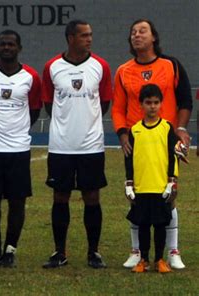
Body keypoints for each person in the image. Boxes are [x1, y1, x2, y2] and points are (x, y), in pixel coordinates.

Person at [111, 19, 192, 269]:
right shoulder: (123, 70)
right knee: (136, 196)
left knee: (169, 195)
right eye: (133, 32)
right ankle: (137, 251)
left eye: (142, 31)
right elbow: (117, 108)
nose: (137, 35)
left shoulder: (171, 65)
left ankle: (173, 251)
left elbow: (185, 101)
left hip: (164, 141)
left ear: (153, 37)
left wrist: (180, 129)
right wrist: (123, 134)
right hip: (136, 142)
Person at [41, 20, 112, 269]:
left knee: (92, 197)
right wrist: (66, 123)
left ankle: (94, 252)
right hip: (61, 146)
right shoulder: (52, 67)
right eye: (84, 35)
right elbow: (49, 103)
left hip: (91, 146)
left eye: (91, 35)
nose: (89, 39)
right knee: (60, 197)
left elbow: (104, 102)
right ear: (71, 37)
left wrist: (85, 123)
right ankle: (60, 252)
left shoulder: (100, 66)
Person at [0, 30, 42, 268]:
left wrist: (17, 130)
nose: (7, 47)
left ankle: (10, 249)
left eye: (11, 44)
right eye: (3, 44)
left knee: (17, 201)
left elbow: (34, 110)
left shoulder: (31, 76)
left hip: (18, 149)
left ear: (19, 48)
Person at [125, 84, 177, 273]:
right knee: (144, 224)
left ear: (161, 104)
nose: (152, 106)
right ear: (141, 105)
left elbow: (173, 156)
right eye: (148, 103)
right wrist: (129, 183)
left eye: (156, 102)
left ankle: (160, 259)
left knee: (160, 224)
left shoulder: (166, 128)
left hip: (160, 185)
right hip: (141, 186)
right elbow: (129, 159)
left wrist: (171, 181)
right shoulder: (135, 130)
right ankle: (144, 259)